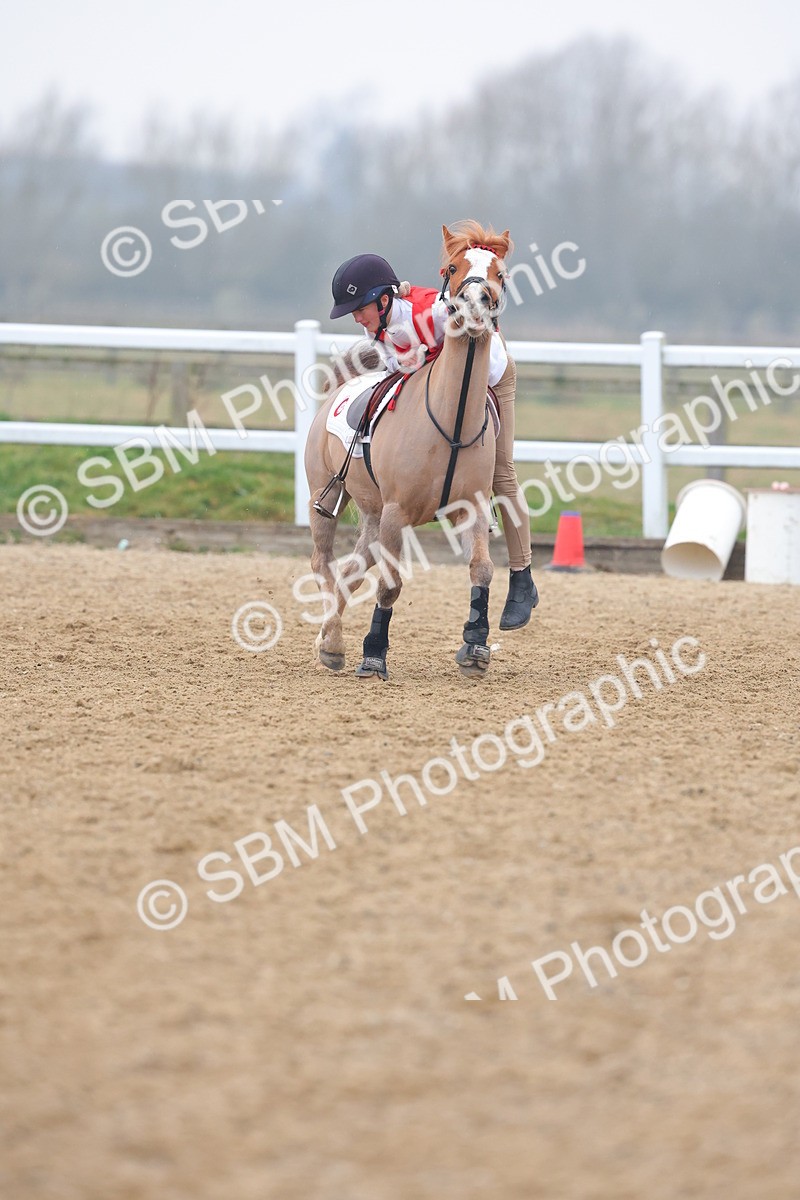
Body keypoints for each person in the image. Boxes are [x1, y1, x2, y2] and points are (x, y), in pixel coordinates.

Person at [329, 247, 538, 631]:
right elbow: (397, 362)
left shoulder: (431, 312)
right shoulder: (376, 322)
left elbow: (463, 318)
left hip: (491, 370)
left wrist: (458, 306)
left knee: (502, 471)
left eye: (359, 309)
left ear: (383, 301)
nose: (356, 317)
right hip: (443, 368)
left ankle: (522, 576)